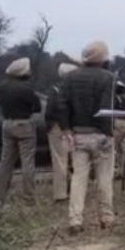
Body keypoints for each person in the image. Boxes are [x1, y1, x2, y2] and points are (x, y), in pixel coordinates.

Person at [57, 41, 117, 234]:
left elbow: (62, 105)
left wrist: (66, 129)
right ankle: (107, 217)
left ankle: (75, 220)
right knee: (104, 179)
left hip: (78, 134)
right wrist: (108, 133)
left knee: (78, 178)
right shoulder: (108, 78)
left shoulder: (70, 77)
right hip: (101, 134)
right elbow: (107, 107)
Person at [0, 57, 41, 206]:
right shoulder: (26, 89)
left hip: (7, 123)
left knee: (5, 162)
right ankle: (29, 198)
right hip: (24, 124)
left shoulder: (2, 87)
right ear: (23, 72)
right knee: (27, 162)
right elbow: (38, 107)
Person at [45, 62, 78, 204]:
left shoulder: (56, 90)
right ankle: (75, 189)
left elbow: (50, 110)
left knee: (59, 161)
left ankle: (60, 193)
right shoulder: (74, 91)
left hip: (58, 127)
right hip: (71, 127)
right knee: (74, 160)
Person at [113, 80, 125, 179]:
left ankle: (116, 170)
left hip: (117, 122)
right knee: (123, 148)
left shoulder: (114, 99)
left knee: (115, 147)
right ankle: (123, 170)